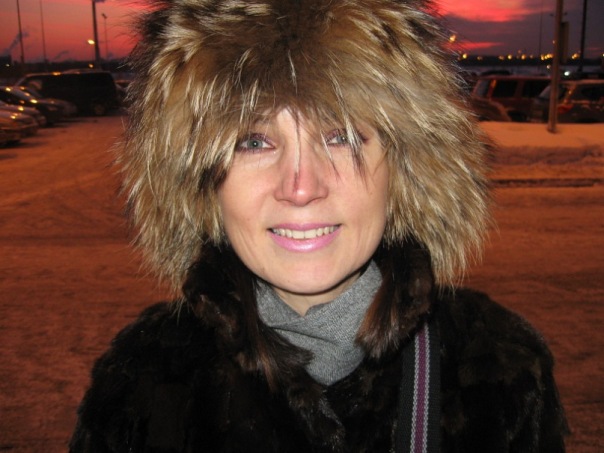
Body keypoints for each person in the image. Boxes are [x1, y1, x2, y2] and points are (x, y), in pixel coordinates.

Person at [70, 0, 568, 451]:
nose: (301, 187)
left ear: (402, 171)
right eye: (254, 142)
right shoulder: (141, 383)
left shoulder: (498, 371)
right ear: (203, 184)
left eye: (340, 136)